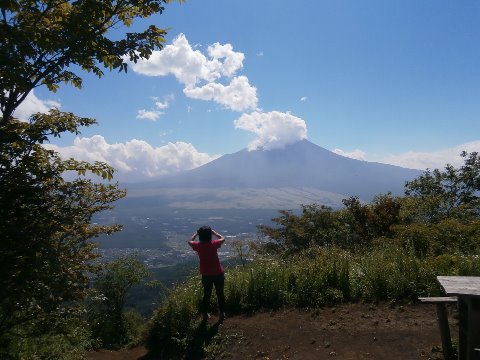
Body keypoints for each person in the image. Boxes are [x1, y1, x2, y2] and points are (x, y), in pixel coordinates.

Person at [188, 225, 226, 322]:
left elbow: (190, 241)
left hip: (206, 275)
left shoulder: (198, 246)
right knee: (220, 293)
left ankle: (205, 314)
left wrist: (196, 234)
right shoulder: (214, 244)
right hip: (218, 273)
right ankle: (222, 313)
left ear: (200, 236)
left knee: (206, 294)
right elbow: (223, 238)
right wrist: (214, 233)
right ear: (210, 236)